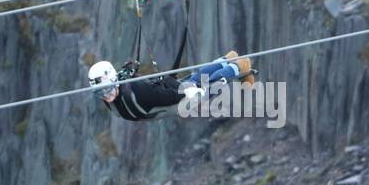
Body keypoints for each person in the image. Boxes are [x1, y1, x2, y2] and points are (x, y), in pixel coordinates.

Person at [88, 52, 251, 122]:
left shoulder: (136, 90)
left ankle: (238, 67)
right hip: (163, 99)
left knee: (206, 90)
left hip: (173, 102)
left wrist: (185, 93)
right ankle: (227, 60)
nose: (106, 95)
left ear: (114, 80)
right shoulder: (115, 94)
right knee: (194, 79)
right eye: (100, 93)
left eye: (107, 89)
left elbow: (165, 96)